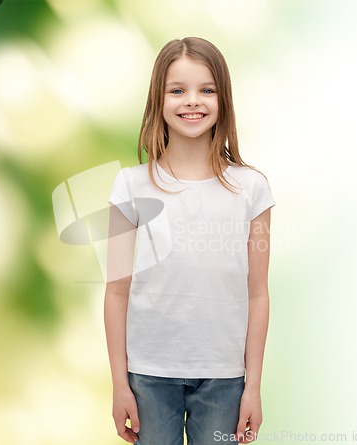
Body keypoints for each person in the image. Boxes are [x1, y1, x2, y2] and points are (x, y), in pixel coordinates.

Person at [104, 36, 276, 445]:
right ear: (158, 100)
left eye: (207, 90)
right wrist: (118, 384)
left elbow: (257, 294)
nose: (192, 101)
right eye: (177, 90)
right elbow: (116, 292)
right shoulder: (130, 185)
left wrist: (252, 387)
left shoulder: (252, 189)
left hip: (225, 378)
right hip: (147, 375)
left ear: (223, 99)